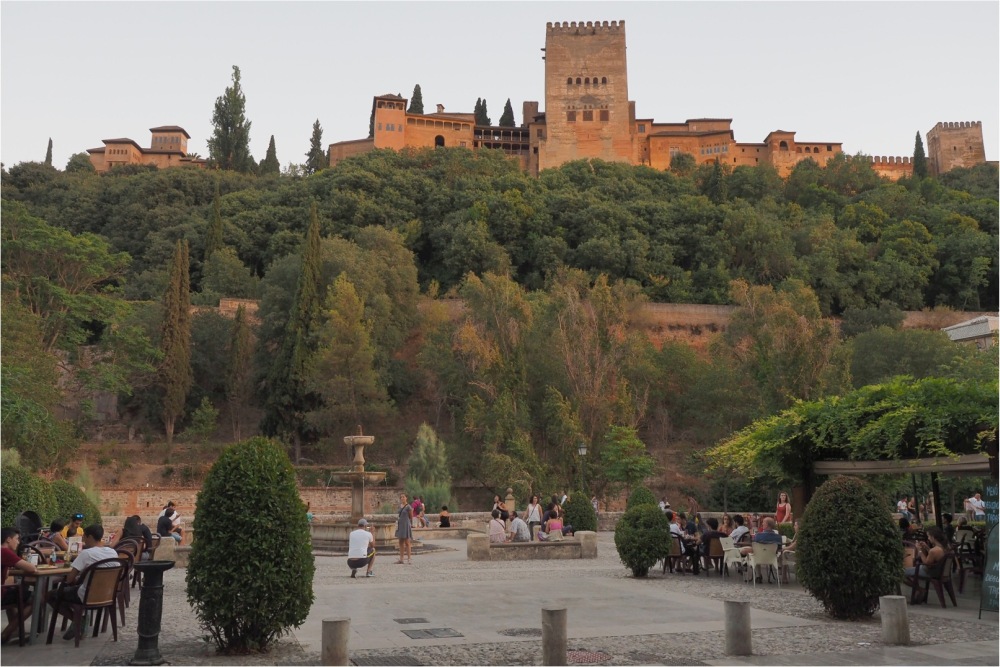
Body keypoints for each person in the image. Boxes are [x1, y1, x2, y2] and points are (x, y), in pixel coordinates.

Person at [48, 524, 118, 640]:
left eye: (84, 537)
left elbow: (69, 579)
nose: (83, 541)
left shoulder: (86, 553)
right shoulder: (112, 553)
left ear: (89, 537)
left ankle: (78, 620)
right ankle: (80, 618)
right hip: (107, 594)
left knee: (51, 595)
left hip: (87, 595)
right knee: (70, 591)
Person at [1, 527, 38, 644]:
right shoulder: (4, 551)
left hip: (3, 591)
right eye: (16, 539)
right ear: (8, 539)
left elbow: (6, 576)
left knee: (14, 593)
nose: (18, 542)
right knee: (37, 598)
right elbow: (31, 568)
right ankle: (5, 634)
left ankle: (15, 630)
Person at [905, 526, 949, 604]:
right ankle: (919, 590)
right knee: (911, 570)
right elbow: (934, 558)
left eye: (928, 536)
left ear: (933, 537)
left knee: (900, 573)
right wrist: (927, 547)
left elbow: (927, 564)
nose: (928, 538)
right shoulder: (945, 547)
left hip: (929, 572)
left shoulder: (934, 551)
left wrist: (920, 551)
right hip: (939, 571)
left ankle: (920, 590)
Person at [666, 510, 699, 574]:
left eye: (678, 519)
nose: (677, 521)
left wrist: (691, 538)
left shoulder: (691, 525)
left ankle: (688, 567)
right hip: (680, 547)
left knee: (695, 552)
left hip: (689, 544)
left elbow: (698, 537)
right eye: (676, 519)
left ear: (683, 519)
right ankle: (676, 567)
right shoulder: (677, 526)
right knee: (677, 549)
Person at [395, 494, 413, 564]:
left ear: (406, 498)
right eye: (401, 497)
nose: (402, 498)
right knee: (400, 542)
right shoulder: (400, 506)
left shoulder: (408, 507)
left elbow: (411, 516)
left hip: (406, 525)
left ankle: (409, 558)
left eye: (403, 497)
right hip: (400, 525)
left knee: (407, 542)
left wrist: (410, 524)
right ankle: (401, 559)